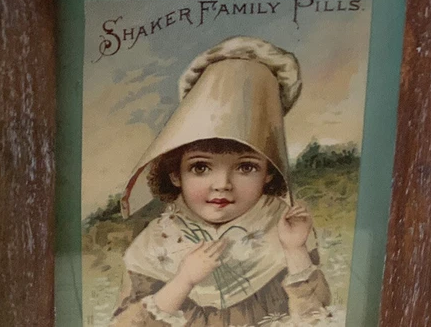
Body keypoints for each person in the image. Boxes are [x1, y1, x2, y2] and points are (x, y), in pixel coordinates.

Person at [110, 36, 332, 327]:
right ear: (175, 173)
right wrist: (184, 280)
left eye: (246, 167)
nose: (222, 184)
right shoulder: (156, 242)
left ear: (270, 172)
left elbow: (316, 316)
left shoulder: (284, 227)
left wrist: (294, 250)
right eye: (201, 167)